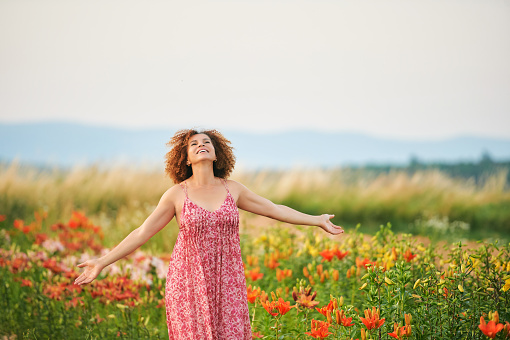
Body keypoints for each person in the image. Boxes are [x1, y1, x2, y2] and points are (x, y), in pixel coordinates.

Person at [74, 128, 344, 340]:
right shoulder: (176, 194)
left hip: (228, 282)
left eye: (206, 143)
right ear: (186, 158)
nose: (201, 145)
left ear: (216, 155)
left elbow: (274, 209)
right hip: (188, 283)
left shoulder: (233, 189)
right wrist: (102, 261)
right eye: (194, 144)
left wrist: (317, 220)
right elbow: (142, 232)